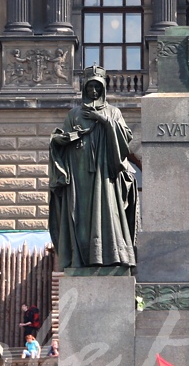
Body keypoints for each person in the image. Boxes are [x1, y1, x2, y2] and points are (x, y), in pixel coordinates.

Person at [48, 65, 138, 269]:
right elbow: (61, 141)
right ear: (85, 89)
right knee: (80, 216)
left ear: (103, 88)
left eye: (98, 88)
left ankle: (111, 256)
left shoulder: (113, 112)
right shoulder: (74, 114)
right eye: (90, 88)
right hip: (80, 175)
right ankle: (82, 258)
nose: (94, 92)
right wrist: (64, 138)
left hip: (105, 174)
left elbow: (126, 139)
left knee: (108, 212)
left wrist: (104, 121)